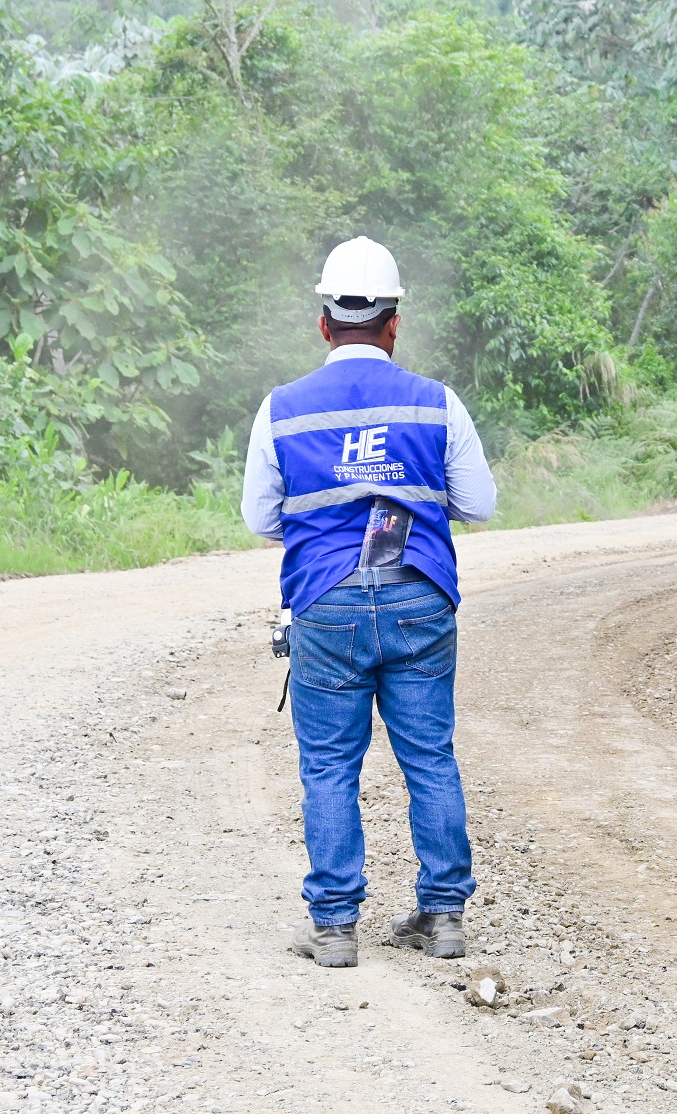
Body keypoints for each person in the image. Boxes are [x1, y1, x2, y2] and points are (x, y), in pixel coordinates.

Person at [241, 235, 497, 968]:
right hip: (419, 598)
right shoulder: (436, 404)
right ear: (393, 323)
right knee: (429, 759)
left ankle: (332, 929)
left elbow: (261, 518)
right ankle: (444, 917)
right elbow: (476, 503)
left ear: (323, 322)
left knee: (327, 767)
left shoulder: (281, 409)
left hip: (325, 606)